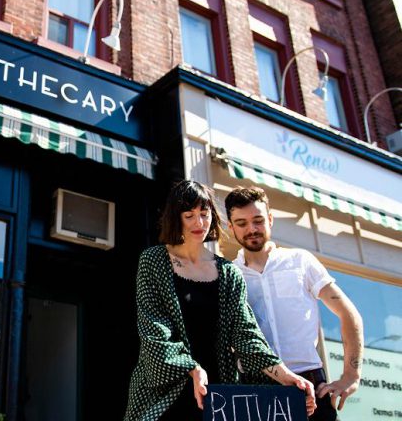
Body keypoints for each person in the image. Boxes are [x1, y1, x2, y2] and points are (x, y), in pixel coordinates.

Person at [125, 180, 315, 421]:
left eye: (204, 214)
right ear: (176, 217)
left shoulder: (228, 272)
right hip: (165, 394)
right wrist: (191, 369)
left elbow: (246, 335)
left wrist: (285, 374)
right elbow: (153, 330)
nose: (199, 223)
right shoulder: (153, 261)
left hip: (218, 398)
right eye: (189, 215)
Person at [225, 186, 364, 421]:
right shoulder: (230, 275)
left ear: (270, 219)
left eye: (258, 220)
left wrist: (352, 375)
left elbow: (349, 315)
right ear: (231, 227)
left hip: (311, 386)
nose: (252, 229)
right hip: (257, 391)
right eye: (241, 223)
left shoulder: (300, 261)